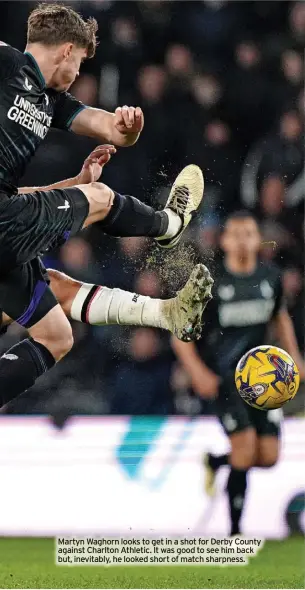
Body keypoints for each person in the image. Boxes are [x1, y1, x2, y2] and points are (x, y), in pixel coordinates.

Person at [0, 4, 212, 407]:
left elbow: (108, 127)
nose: (78, 74)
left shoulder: (52, 103)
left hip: (5, 222)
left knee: (56, 335)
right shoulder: (10, 64)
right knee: (99, 200)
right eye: (79, 62)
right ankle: (170, 224)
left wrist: (127, 129)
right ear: (65, 51)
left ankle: (165, 313)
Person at [172, 210, 305, 536]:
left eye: (250, 233)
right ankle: (235, 532)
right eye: (237, 233)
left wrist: (295, 358)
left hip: (265, 380)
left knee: (269, 456)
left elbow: (280, 317)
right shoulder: (210, 283)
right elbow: (180, 333)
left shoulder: (271, 276)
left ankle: (217, 462)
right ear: (226, 241)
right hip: (226, 378)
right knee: (245, 450)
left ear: (258, 240)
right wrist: (197, 372)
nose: (244, 239)